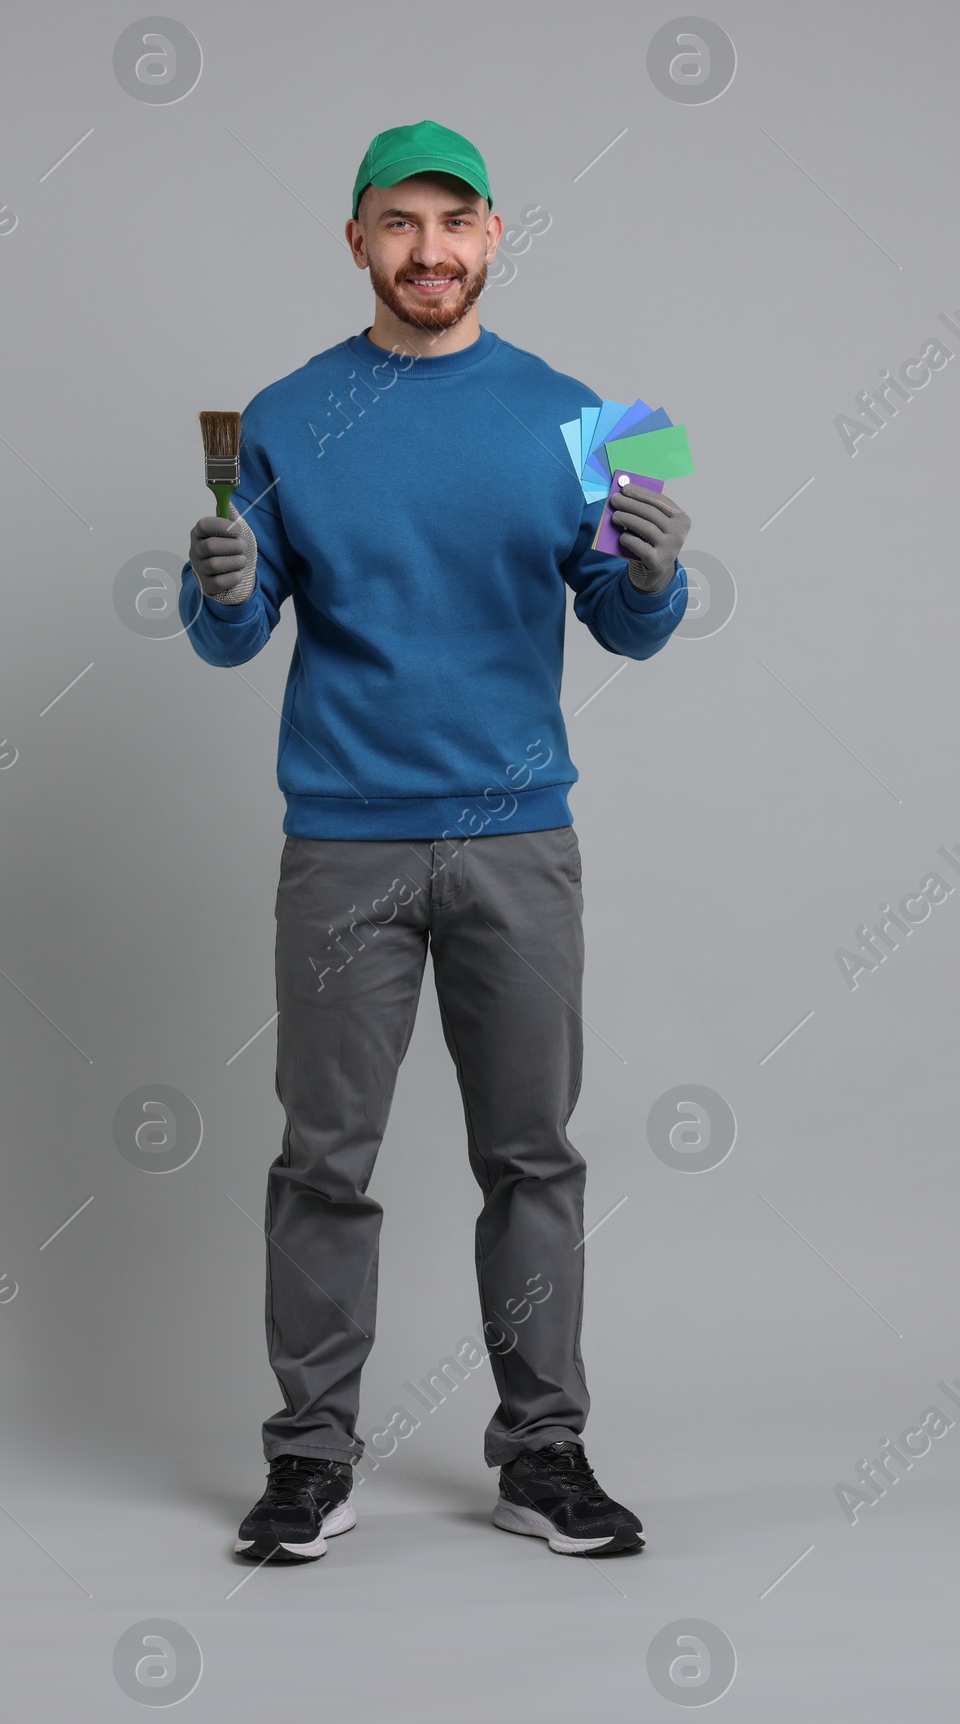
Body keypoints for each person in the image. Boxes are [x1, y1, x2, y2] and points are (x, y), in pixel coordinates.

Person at [180, 120, 689, 1563]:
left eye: (454, 221)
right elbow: (233, 636)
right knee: (322, 1162)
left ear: (496, 235)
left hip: (520, 842)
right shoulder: (281, 415)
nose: (429, 250)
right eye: (398, 224)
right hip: (344, 842)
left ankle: (544, 1452)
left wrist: (656, 575)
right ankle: (310, 1460)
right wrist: (214, 585)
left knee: (532, 1156)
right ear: (355, 241)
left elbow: (631, 628)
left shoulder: (593, 415)